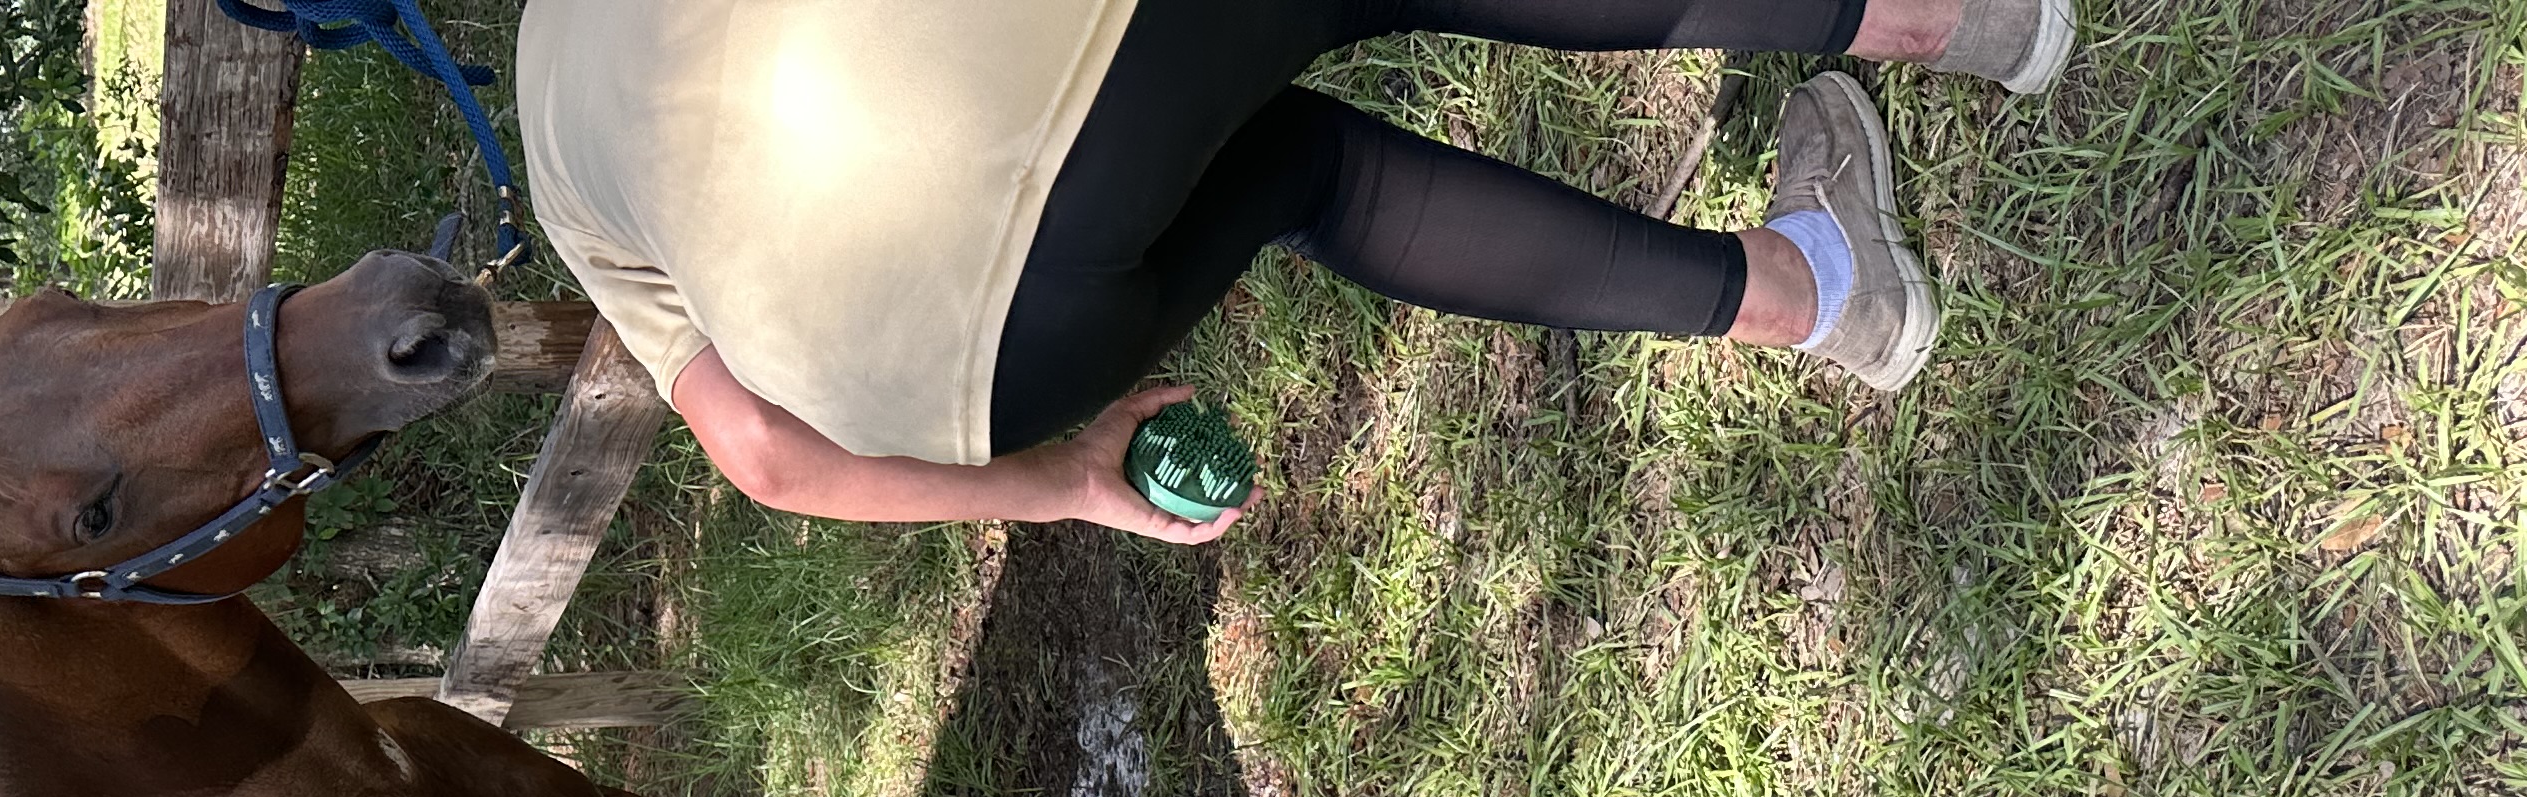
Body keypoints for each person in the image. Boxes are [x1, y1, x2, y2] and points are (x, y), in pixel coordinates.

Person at [516, 0, 2074, 542]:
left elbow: (771, 460)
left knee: (1303, 174)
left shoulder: (547, 128)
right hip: (1049, 66)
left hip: (975, 364)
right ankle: (1956, 20)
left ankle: (1816, 296)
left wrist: (1068, 482)